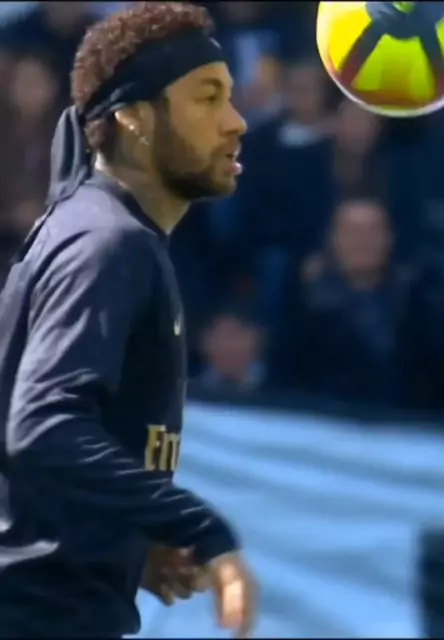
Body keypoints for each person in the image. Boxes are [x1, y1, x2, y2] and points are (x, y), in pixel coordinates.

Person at [0, 2, 254, 638]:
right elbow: (44, 426)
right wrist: (199, 527)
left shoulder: (95, 230)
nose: (236, 121)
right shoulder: (110, 244)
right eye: (208, 98)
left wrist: (124, 546)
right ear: (133, 118)